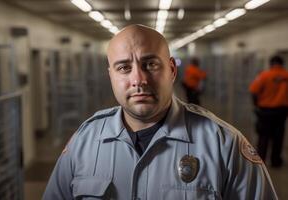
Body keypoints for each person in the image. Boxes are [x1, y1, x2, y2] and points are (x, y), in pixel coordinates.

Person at [43, 24, 277, 199]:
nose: (139, 80)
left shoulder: (224, 145)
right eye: (124, 67)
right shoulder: (84, 141)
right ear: (111, 76)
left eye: (150, 64)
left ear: (172, 70)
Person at [249, 55, 288, 168]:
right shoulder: (286, 75)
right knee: (278, 136)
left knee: (263, 136)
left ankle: (261, 162)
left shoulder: (264, 75)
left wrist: (256, 105)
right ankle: (276, 161)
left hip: (265, 111)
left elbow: (253, 91)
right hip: (282, 111)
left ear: (271, 63)